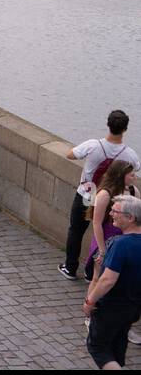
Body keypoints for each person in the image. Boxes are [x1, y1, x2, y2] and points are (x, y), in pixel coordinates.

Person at [62, 110, 139, 280]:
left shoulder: (93, 145)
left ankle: (70, 267)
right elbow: (136, 168)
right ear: (125, 129)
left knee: (76, 230)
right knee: (104, 232)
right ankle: (93, 271)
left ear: (108, 125)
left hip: (89, 192)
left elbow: (69, 154)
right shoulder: (130, 154)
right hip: (112, 197)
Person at [82, 194, 141, 369]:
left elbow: (108, 280)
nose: (111, 214)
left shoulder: (120, 244)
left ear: (130, 218)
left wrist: (90, 300)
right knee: (118, 344)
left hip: (112, 307)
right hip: (133, 307)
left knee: (98, 347)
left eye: (115, 211)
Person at [86, 160, 138, 281]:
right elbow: (96, 223)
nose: (134, 177)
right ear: (121, 175)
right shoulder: (104, 194)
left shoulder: (133, 191)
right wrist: (102, 250)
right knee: (98, 277)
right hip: (106, 237)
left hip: (125, 236)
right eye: (131, 175)